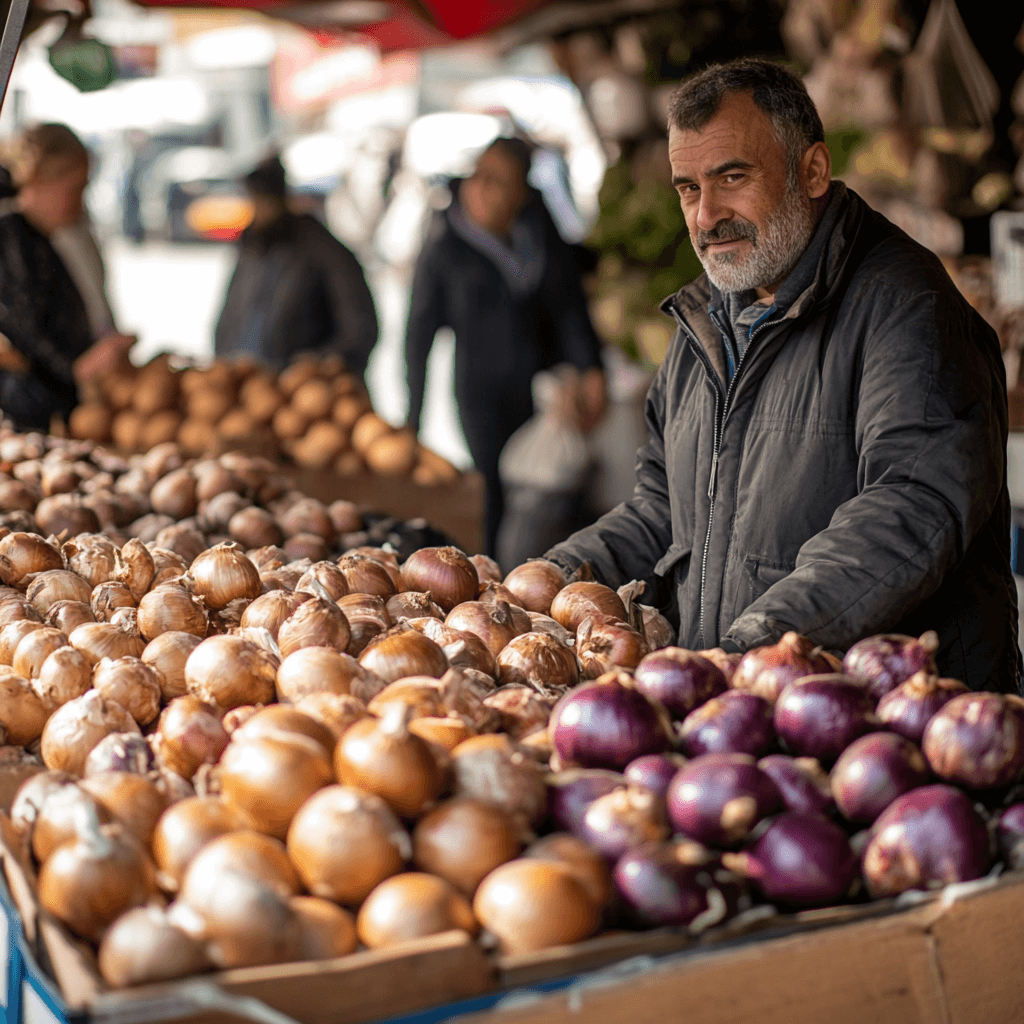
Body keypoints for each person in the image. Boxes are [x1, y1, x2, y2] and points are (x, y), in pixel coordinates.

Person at [545, 58, 1019, 693]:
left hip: (886, 729)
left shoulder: (910, 311)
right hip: (745, 709)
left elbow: (911, 506)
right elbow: (663, 511)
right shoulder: (704, 325)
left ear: (813, 170)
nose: (707, 215)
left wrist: (755, 647)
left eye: (731, 177)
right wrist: (554, 578)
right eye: (688, 188)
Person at [404, 137, 606, 558]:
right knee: (494, 494)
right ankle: (498, 579)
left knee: (549, 489)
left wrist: (590, 369)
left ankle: (544, 572)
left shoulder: (538, 233)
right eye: (477, 175)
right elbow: (418, 336)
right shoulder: (446, 245)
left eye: (497, 180)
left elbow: (569, 305)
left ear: (521, 192)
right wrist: (412, 423)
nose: (479, 188)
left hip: (542, 387)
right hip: (482, 395)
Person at [0, 124, 134, 431]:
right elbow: (25, 329)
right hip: (29, 414)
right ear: (41, 181)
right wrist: (77, 367)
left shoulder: (42, 236)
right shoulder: (14, 238)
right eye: (74, 188)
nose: (79, 202)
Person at [214, 155, 379, 378]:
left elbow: (359, 329)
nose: (258, 212)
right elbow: (228, 320)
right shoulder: (252, 248)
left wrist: (319, 366)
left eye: (264, 203)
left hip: (303, 391)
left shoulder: (324, 251)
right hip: (244, 388)